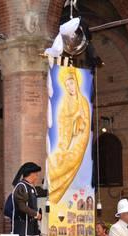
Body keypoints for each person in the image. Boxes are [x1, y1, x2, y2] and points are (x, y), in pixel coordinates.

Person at [48, 66, 90, 205]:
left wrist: (79, 122)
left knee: (69, 161)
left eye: (71, 83)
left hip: (78, 140)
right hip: (66, 140)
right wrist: (71, 123)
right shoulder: (64, 102)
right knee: (56, 160)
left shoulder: (83, 101)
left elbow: (86, 122)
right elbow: (62, 121)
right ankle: (52, 190)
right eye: (67, 85)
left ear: (76, 82)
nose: (70, 87)